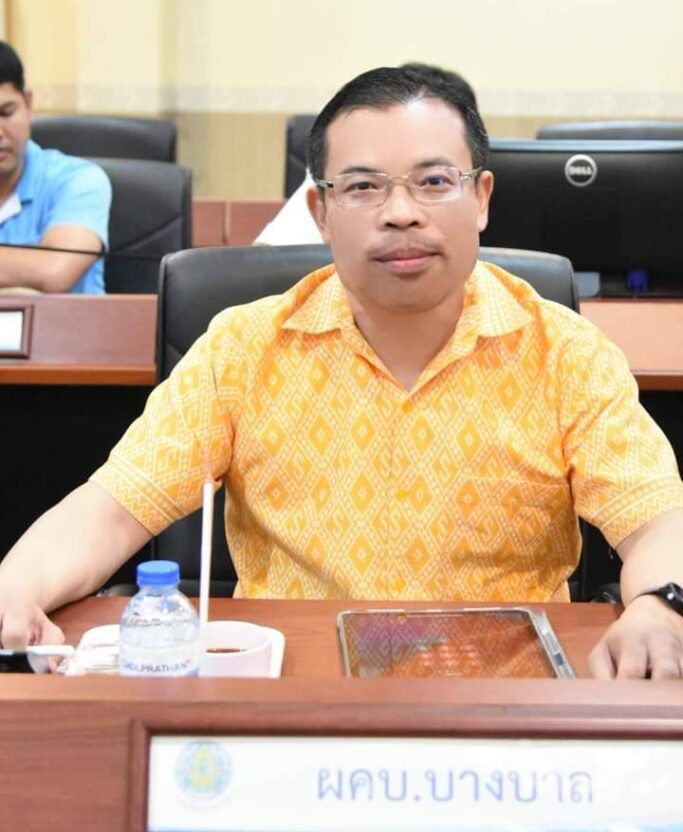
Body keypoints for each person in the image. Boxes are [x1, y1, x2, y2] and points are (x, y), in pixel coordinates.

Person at [1, 63, 683, 681]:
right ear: (321, 212)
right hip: (296, 696)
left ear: (480, 197)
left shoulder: (565, 353)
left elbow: (656, 519)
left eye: (433, 182)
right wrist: (16, 586)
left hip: (504, 699)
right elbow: (112, 510)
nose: (401, 212)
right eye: (362, 187)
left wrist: (660, 605)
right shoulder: (244, 347)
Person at [0, 41, 111, 294]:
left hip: (69, 322)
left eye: (6, 113)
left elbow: (52, 271)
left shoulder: (79, 180)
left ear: (28, 103)